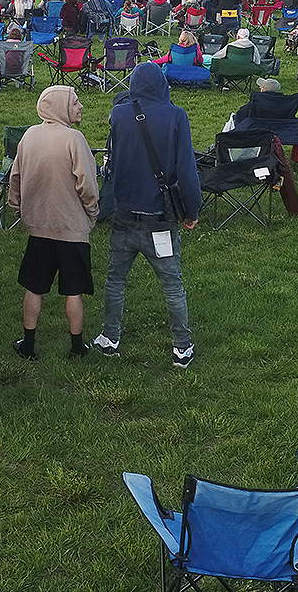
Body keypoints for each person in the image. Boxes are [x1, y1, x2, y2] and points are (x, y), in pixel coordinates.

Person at [93, 63, 201, 367]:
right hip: (160, 217)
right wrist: (191, 209)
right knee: (172, 284)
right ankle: (182, 346)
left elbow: (113, 162)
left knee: (115, 279)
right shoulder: (177, 116)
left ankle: (109, 336)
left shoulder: (119, 114)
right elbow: (187, 169)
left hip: (125, 212)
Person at [8, 86, 99, 361]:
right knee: (73, 290)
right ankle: (77, 348)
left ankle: (28, 344)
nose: (81, 106)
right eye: (75, 102)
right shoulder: (75, 139)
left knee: (34, 287)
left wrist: (17, 207)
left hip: (38, 227)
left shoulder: (29, 136)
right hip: (72, 229)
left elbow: (15, 176)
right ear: (61, 107)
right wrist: (92, 213)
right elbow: (87, 185)